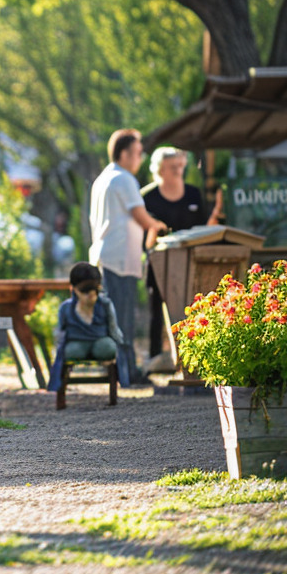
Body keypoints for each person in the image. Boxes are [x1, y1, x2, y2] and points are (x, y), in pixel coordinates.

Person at [88, 128, 166, 384]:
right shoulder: (124, 179)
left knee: (112, 318)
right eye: (137, 153)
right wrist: (159, 226)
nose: (140, 158)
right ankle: (127, 374)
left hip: (106, 256)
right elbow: (140, 216)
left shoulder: (103, 178)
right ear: (124, 154)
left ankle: (116, 372)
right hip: (119, 259)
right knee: (122, 320)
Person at [140, 146, 221, 373]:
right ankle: (156, 359)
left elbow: (205, 227)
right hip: (159, 263)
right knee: (157, 310)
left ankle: (195, 359)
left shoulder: (194, 193)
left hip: (192, 263)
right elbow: (144, 237)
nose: (177, 170)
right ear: (160, 170)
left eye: (180, 165)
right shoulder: (147, 197)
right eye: (172, 166)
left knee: (195, 308)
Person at [46, 262, 131, 391]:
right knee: (71, 351)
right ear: (73, 289)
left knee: (107, 348)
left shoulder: (105, 305)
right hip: (76, 342)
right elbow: (60, 331)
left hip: (100, 340)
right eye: (84, 290)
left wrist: (120, 345)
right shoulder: (66, 308)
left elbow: (113, 328)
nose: (89, 294)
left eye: (93, 289)